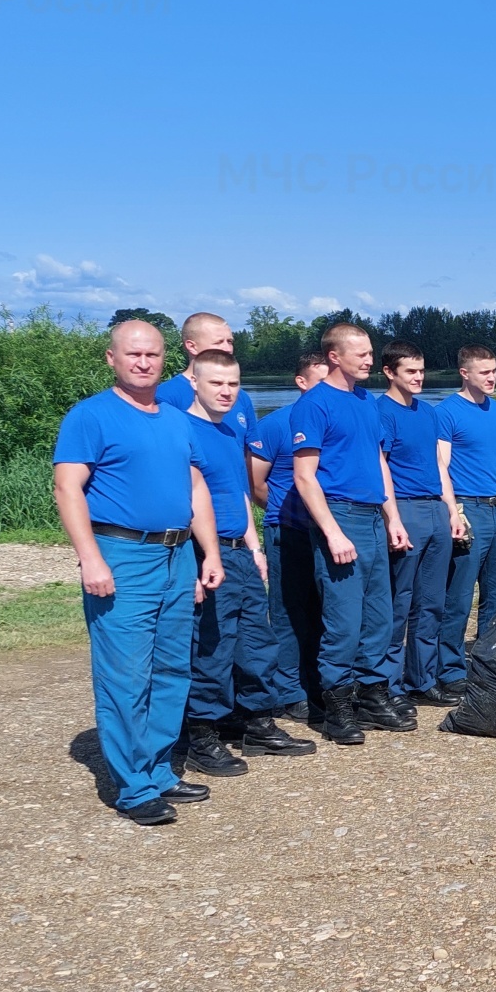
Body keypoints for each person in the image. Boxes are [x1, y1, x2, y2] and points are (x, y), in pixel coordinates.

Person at [51, 320, 224, 825]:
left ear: (165, 359)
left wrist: (208, 554)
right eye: (133, 354)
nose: (143, 362)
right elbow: (67, 490)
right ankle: (132, 787)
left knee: (171, 669)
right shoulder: (91, 416)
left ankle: (158, 769)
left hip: (177, 555)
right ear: (112, 358)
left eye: (151, 355)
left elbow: (196, 490)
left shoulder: (174, 419)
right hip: (122, 555)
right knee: (126, 674)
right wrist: (90, 558)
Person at [181, 349, 317, 773]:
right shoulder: (181, 430)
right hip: (207, 553)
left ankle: (257, 723)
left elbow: (240, 494)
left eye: (233, 384)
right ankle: (203, 734)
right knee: (212, 647)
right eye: (216, 383)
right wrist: (197, 563)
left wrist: (256, 547)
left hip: (241, 553)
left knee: (257, 642)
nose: (226, 392)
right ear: (194, 383)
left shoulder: (228, 431)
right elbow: (185, 500)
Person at [287, 323, 417, 744]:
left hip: (373, 518)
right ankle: (337, 705)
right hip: (339, 515)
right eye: (359, 353)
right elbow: (305, 477)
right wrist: (332, 532)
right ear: (334, 357)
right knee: (344, 619)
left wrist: (393, 518)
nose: (368, 359)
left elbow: (380, 464)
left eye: (369, 352)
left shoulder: (366, 402)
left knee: (380, 616)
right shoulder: (315, 404)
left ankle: (374, 695)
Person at [433, 344, 496, 692]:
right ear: (465, 373)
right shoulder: (447, 412)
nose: (492, 377)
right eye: (484, 372)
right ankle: (451, 669)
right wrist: (453, 511)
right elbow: (440, 465)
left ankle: (489, 663)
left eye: (495, 370)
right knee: (458, 595)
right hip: (468, 509)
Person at [376, 339, 459, 706]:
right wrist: (393, 518)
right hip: (405, 508)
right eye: (410, 371)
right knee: (399, 602)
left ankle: (422, 680)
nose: (419, 377)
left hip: (435, 510)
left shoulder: (429, 413)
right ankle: (389, 686)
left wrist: (453, 511)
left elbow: (439, 465)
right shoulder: (382, 412)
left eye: (422, 370)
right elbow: (382, 469)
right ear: (389, 373)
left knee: (432, 602)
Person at [248, 351, 329, 720]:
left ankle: (318, 681)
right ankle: (288, 689)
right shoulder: (275, 425)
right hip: (289, 529)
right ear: (301, 382)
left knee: (325, 610)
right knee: (286, 610)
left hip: (331, 531)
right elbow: (256, 484)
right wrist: (287, 511)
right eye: (319, 381)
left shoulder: (335, 418)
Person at [157, 312, 258, 442]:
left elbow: (247, 453)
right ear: (192, 346)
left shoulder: (240, 397)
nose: (228, 349)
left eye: (230, 341)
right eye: (219, 342)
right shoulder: (165, 397)